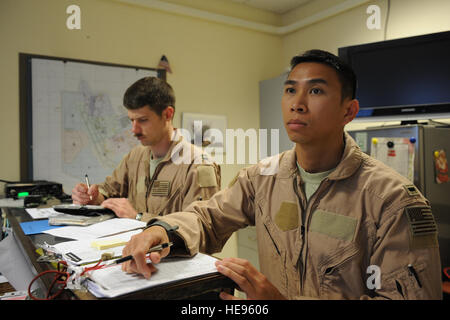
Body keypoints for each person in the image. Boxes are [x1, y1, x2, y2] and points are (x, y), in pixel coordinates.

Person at [121, 50, 442, 299]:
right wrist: (161, 231)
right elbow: (208, 216)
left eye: (316, 91)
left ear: (349, 111)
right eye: (290, 90)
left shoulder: (392, 198)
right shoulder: (263, 177)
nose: (297, 104)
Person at [71, 77, 221, 222]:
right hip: (133, 246)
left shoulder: (198, 165)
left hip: (170, 248)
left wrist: (138, 217)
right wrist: (93, 197)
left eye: (143, 120)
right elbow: (109, 191)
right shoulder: (135, 156)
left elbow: (200, 226)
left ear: (168, 114)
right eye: (131, 120)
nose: (134, 130)